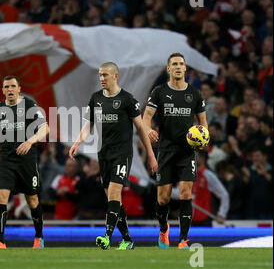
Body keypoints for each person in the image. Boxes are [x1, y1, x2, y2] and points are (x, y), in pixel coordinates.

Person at [69, 62, 158, 250]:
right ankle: (127, 239)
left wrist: (150, 155)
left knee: (115, 193)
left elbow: (141, 129)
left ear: (115, 76)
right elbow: (89, 124)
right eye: (100, 75)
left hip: (122, 154)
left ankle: (107, 237)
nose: (102, 79)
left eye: (105, 75)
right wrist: (77, 142)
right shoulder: (96, 98)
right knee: (112, 199)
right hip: (104, 155)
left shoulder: (127, 99)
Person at [143, 52, 208, 249]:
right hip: (166, 150)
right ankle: (164, 229)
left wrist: (204, 139)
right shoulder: (159, 92)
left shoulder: (195, 94)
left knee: (186, 193)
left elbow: (203, 124)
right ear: (168, 69)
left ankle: (183, 239)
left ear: (185, 68)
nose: (178, 67)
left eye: (181, 64)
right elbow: (146, 118)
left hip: (187, 151)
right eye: (174, 64)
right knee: (163, 198)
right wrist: (147, 129)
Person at [0, 75, 50, 249]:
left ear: (19, 88)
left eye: (12, 86)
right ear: (2, 90)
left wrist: (30, 141)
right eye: (6, 87)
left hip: (26, 162)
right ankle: (0, 241)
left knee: (32, 200)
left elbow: (46, 128)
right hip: (6, 162)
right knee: (1, 197)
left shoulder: (29, 105)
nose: (9, 90)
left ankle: (39, 237)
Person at [191, 150, 229, 226]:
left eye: (195, 156)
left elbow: (224, 195)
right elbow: (180, 193)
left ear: (202, 159)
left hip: (204, 219)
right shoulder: (190, 175)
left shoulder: (208, 175)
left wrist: (221, 214)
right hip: (190, 219)